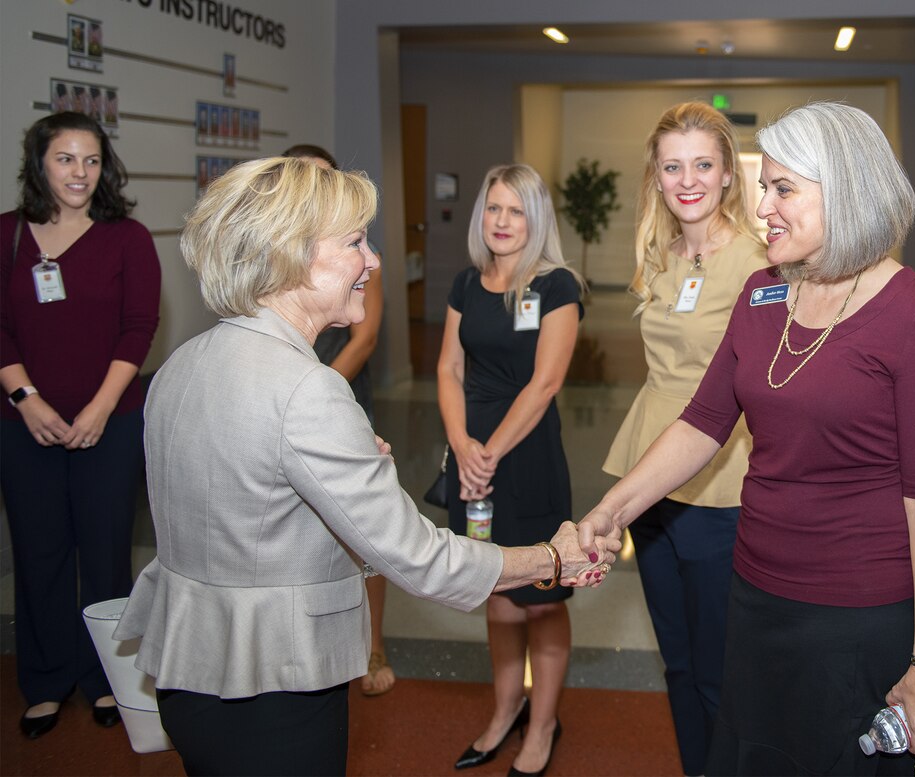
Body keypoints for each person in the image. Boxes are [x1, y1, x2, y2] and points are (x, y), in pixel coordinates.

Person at [113, 157, 616, 777]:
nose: (374, 261)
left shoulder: (179, 366)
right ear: (291, 255)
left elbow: (236, 507)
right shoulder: (309, 390)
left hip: (189, 670)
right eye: (355, 242)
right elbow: (421, 559)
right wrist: (553, 558)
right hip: (276, 684)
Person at [579, 101, 915, 776]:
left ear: (844, 192)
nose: (764, 208)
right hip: (756, 596)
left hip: (853, 614)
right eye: (765, 187)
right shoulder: (763, 294)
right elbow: (702, 422)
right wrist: (613, 509)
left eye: (784, 189)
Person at [601, 102, 767, 777]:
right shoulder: (659, 252)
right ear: (658, 175)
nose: (688, 179)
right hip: (652, 471)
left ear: (728, 173)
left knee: (717, 664)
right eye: (674, 166)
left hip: (720, 473)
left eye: (703, 164)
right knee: (675, 655)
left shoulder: (760, 264)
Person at [0, 111, 162, 739]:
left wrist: (98, 409)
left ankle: (106, 680)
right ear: (40, 162)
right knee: (38, 553)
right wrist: (27, 401)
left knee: (104, 551)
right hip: (24, 426)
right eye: (66, 159)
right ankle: (44, 681)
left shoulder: (127, 238)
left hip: (110, 423)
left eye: (91, 160)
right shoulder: (9, 236)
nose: (80, 173)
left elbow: (138, 328)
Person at [437, 164, 585, 777]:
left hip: (524, 460)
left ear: (536, 219)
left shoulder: (556, 286)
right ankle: (505, 712)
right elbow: (448, 369)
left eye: (515, 211)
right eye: (493, 209)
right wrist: (461, 444)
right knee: (494, 590)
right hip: (471, 457)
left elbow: (546, 381)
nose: (501, 222)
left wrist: (490, 451)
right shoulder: (466, 284)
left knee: (542, 598)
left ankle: (543, 724)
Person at [283, 143, 394, 697]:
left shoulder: (356, 255)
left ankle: (373, 644)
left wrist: (321, 387)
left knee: (362, 526)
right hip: (292, 391)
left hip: (340, 386)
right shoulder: (276, 254)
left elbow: (365, 335)